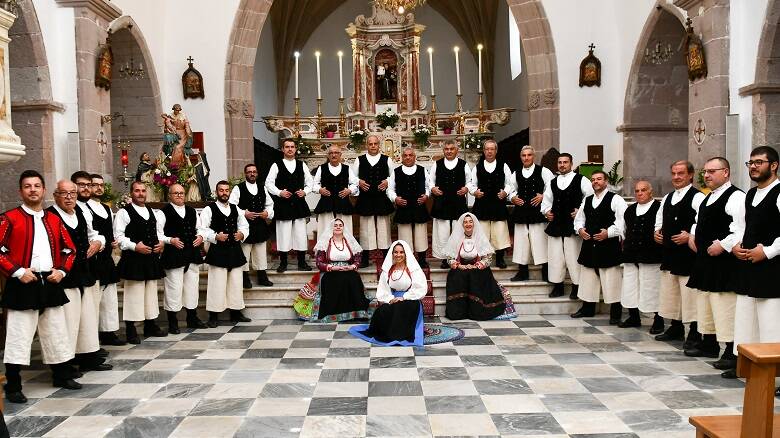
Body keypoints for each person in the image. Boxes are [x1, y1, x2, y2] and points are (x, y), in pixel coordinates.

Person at [1, 170, 80, 404]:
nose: (33, 190)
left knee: (56, 331)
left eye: (37, 186)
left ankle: (61, 375)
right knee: (19, 334)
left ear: (44, 190)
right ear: (21, 191)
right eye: (28, 186)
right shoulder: (9, 218)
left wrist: (62, 271)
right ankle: (13, 385)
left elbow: (70, 250)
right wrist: (17, 271)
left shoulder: (54, 219)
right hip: (23, 283)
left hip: (51, 282)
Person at [686, 157, 744, 376]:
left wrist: (724, 245)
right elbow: (698, 221)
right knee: (706, 305)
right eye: (705, 172)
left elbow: (740, 228)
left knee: (724, 307)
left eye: (712, 171)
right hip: (704, 262)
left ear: (726, 172)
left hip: (723, 264)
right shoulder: (707, 198)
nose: (707, 175)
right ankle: (708, 342)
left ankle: (730, 351)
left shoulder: (736, 196)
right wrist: (693, 235)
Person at [50, 178, 109, 374]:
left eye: (72, 193)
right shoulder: (50, 216)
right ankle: (66, 362)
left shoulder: (80, 214)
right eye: (64, 193)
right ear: (55, 196)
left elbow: (94, 234)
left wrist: (98, 243)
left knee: (86, 319)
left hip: (84, 272)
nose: (69, 197)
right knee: (68, 320)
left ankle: (88, 356)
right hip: (64, 276)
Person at [732, 146, 780, 381]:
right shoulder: (750, 195)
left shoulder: (779, 193)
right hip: (748, 267)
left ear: (774, 165)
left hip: (772, 269)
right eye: (750, 162)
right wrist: (737, 245)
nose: (753, 166)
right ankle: (750, 367)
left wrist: (768, 252)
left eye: (759, 162)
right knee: (747, 320)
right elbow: (744, 227)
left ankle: (775, 373)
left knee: (771, 323)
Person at [653, 160, 705, 348]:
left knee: (689, 296)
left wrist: (690, 236)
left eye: (681, 173)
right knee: (672, 294)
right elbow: (659, 218)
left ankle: (694, 331)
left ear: (690, 175)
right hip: (669, 254)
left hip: (687, 256)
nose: (676, 177)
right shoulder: (667, 198)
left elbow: (702, 222)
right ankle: (675, 327)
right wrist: (657, 231)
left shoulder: (697, 197)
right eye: (674, 173)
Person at [114, 181, 166, 344]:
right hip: (133, 260)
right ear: (131, 193)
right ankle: (131, 329)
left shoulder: (152, 211)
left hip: (150, 259)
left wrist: (161, 243)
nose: (141, 193)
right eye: (137, 191)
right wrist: (135, 246)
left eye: (143, 191)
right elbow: (119, 237)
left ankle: (150, 325)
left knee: (150, 294)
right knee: (133, 296)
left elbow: (159, 233)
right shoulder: (124, 212)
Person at [571, 171, 627, 321]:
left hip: (608, 247)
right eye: (593, 179)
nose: (596, 182)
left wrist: (608, 233)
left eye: (599, 179)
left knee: (612, 280)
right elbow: (579, 219)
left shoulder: (616, 199)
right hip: (589, 245)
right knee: (588, 279)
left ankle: (615, 314)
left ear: (606, 181)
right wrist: (580, 230)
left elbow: (623, 222)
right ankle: (587, 309)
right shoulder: (587, 200)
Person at [349, 240, 427, 346]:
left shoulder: (414, 270)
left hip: (410, 301)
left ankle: (396, 335)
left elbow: (420, 289)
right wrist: (389, 299)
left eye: (401, 252)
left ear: (406, 253)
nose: (398, 255)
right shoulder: (388, 270)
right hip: (393, 299)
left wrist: (404, 297)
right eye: (395, 252)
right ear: (392, 253)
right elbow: (383, 289)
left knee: (399, 310)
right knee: (382, 311)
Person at [443, 212, 516, 320]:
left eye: (470, 221)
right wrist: (458, 266)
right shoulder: (456, 239)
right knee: (457, 276)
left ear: (474, 223)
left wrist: (477, 265)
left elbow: (488, 258)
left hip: (477, 268)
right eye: (465, 222)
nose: (468, 224)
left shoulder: (480, 238)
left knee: (476, 276)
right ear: (462, 225)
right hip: (461, 267)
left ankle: (477, 311)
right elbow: (449, 258)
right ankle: (459, 312)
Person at [541, 153, 593, 298]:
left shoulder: (581, 179)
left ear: (571, 163)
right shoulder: (552, 182)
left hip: (572, 225)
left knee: (573, 256)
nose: (562, 165)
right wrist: (546, 212)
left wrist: (580, 210)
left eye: (565, 162)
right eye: (560, 162)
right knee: (555, 257)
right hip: (556, 224)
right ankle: (558, 286)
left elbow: (590, 198)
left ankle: (577, 287)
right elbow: (546, 200)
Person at [199, 181, 251, 327]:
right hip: (218, 252)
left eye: (226, 190)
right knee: (217, 284)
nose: (224, 193)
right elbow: (202, 229)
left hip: (234, 251)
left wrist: (241, 234)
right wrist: (215, 236)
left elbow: (244, 226)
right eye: (221, 190)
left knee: (235, 283)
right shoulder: (209, 209)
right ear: (217, 192)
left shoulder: (236, 209)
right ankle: (213, 316)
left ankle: (236, 313)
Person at [158, 184, 207, 333]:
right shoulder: (162, 212)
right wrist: (170, 240)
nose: (179, 195)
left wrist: (200, 237)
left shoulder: (192, 211)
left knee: (192, 288)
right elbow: (158, 234)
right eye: (176, 193)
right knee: (173, 289)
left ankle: (192, 318)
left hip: (191, 254)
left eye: (181, 193)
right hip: (173, 256)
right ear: (170, 195)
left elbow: (201, 229)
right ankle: (173, 322)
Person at [619, 180, 664, 332]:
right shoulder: (630, 211)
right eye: (637, 191)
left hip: (651, 255)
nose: (639, 193)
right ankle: (633, 317)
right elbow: (625, 231)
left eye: (643, 190)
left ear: (650, 192)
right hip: (631, 254)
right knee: (630, 287)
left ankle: (658, 320)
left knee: (652, 288)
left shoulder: (659, 208)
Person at [306, 218, 371, 322]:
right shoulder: (325, 243)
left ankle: (358, 312)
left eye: (340, 225)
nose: (338, 227)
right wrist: (332, 267)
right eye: (335, 225)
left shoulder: (349, 242)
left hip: (347, 269)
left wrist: (352, 266)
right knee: (335, 280)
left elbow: (358, 259)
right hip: (330, 271)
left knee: (353, 278)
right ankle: (334, 313)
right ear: (332, 228)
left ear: (343, 228)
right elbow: (319, 263)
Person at [86, 173, 125, 346]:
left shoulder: (107, 208)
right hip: (93, 260)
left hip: (107, 258)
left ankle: (109, 332)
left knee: (109, 299)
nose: (99, 188)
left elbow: (110, 231)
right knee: (95, 299)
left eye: (101, 185)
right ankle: (93, 336)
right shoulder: (84, 208)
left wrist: (113, 241)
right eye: (95, 185)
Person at [265, 138, 313, 272]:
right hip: (283, 204)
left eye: (292, 147)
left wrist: (305, 191)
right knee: (283, 233)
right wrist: (279, 192)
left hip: (298, 203)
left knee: (300, 233)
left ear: (296, 149)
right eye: (287, 147)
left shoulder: (301, 165)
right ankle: (283, 263)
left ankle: (302, 262)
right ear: (282, 149)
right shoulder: (276, 165)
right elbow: (268, 183)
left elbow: (310, 182)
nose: (290, 149)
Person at [509, 145, 554, 281]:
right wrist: (513, 197)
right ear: (521, 157)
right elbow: (510, 189)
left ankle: (546, 272)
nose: (526, 158)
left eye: (529, 155)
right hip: (521, 212)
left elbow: (552, 186)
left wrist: (543, 196)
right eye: (524, 155)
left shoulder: (543, 171)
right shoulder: (515, 173)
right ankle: (523, 271)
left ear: (533, 156)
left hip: (538, 212)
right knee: (521, 242)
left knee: (540, 241)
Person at [351, 134, 395, 267]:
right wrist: (359, 181)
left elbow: (393, 176)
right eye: (370, 144)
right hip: (366, 198)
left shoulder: (387, 160)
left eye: (375, 144)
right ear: (367, 145)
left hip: (382, 198)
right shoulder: (359, 160)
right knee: (366, 229)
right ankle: (365, 258)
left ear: (379, 145)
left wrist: (387, 181)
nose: (373, 146)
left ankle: (386, 257)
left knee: (384, 228)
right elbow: (353, 177)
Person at [468, 139, 512, 268]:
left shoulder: (503, 165)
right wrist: (474, 192)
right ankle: (483, 258)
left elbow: (510, 183)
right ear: (484, 151)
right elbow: (471, 183)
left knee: (500, 232)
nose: (489, 151)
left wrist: (505, 192)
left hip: (498, 204)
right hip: (482, 204)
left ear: (496, 151)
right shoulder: (478, 167)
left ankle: (499, 258)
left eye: (492, 149)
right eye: (487, 149)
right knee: (482, 232)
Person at [229, 163, 274, 288]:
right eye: (249, 172)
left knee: (260, 252)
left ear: (257, 174)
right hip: (245, 226)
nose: (252, 173)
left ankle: (262, 277)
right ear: (245, 174)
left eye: (254, 171)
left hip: (260, 225)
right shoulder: (239, 188)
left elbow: (270, 204)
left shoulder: (262, 188)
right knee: (244, 252)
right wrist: (244, 213)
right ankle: (245, 278)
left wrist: (267, 213)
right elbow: (232, 205)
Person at [430, 139, 471, 269]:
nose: (449, 151)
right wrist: (432, 189)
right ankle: (445, 258)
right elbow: (430, 181)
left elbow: (470, 181)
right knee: (443, 232)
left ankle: (459, 256)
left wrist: (466, 188)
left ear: (456, 150)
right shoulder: (437, 164)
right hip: (442, 202)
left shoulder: (463, 164)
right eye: (446, 149)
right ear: (443, 150)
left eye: (451, 149)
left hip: (458, 202)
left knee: (458, 231)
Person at [387, 147, 430, 268]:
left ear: (414, 157)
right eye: (405, 155)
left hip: (419, 206)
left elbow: (428, 186)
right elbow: (390, 189)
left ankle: (422, 260)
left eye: (410, 155)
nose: (408, 157)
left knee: (421, 234)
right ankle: (408, 260)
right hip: (403, 208)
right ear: (402, 157)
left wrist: (426, 196)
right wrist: (395, 199)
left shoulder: (422, 170)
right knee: (404, 235)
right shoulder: (396, 172)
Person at [313, 145, 357, 237]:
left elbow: (354, 184)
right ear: (328, 155)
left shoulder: (347, 168)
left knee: (346, 229)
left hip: (343, 203)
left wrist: (349, 190)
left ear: (340, 154)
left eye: (336, 153)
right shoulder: (322, 168)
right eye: (331, 153)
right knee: (325, 229)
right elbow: (314, 185)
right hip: (326, 203)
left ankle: (346, 249)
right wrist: (320, 189)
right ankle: (324, 250)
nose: (334, 155)